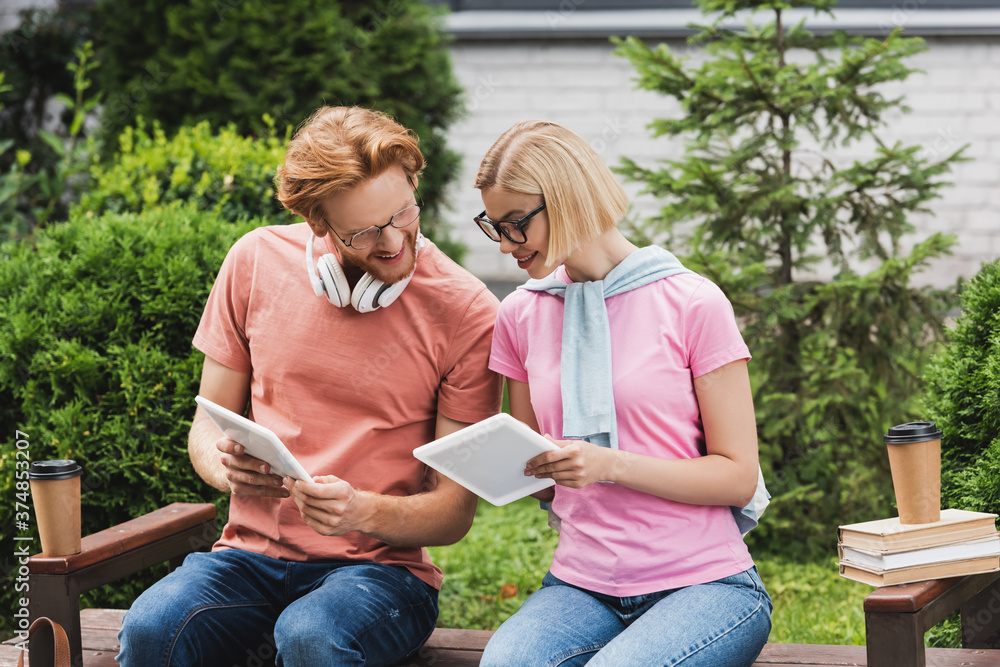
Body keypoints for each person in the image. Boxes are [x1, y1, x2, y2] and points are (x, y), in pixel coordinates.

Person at [117, 106, 502, 667]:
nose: (394, 241)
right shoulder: (254, 262)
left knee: (310, 636)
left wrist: (361, 512)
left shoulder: (467, 312)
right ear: (318, 224)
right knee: (151, 629)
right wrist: (222, 465)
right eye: (366, 231)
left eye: (403, 213)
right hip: (246, 558)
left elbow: (453, 513)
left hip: (383, 577)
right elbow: (206, 422)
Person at [472, 120, 773, 667]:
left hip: (705, 586)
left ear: (566, 200)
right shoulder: (521, 313)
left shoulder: (692, 303)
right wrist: (513, 468)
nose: (507, 245)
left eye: (518, 224)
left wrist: (608, 464)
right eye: (496, 227)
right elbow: (540, 481)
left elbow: (737, 476)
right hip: (580, 585)